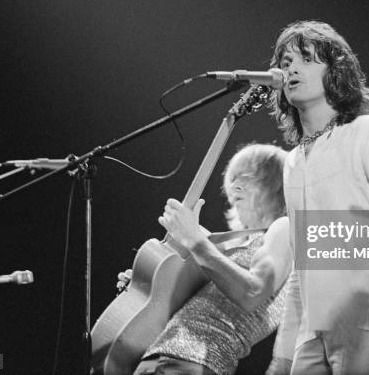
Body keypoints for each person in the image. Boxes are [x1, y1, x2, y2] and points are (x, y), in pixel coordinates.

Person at [265, 20, 369, 375]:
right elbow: (300, 270)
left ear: (335, 70)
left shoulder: (367, 133)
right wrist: (284, 354)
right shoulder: (292, 163)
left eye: (306, 59)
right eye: (286, 61)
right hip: (311, 333)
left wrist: (362, 299)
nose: (291, 68)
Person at [118, 143, 293, 375]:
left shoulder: (284, 228)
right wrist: (145, 289)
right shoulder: (231, 249)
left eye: (250, 177)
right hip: (162, 358)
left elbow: (251, 293)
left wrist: (194, 240)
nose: (235, 185)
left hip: (193, 361)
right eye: (233, 177)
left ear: (277, 186)